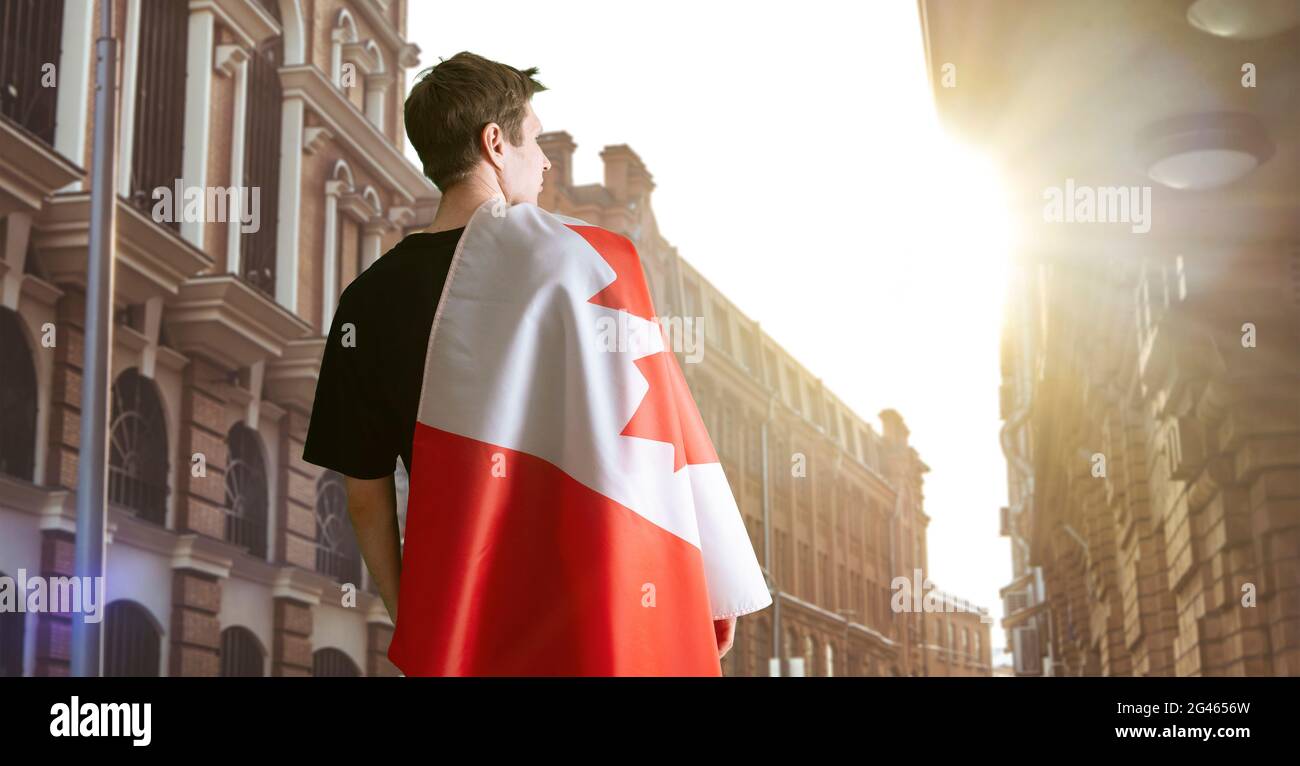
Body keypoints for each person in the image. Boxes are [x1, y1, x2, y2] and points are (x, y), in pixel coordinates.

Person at [302, 51, 742, 672]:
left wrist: (418, 620)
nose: (544, 161)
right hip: (594, 621)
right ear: (494, 144)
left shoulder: (366, 299)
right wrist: (702, 589)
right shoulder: (592, 264)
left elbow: (365, 497)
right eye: (533, 139)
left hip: (466, 619)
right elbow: (654, 456)